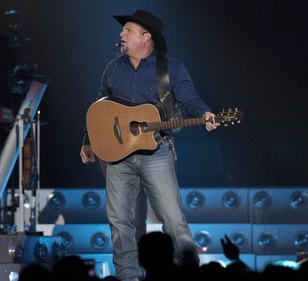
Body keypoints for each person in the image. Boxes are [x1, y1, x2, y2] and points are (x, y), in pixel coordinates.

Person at [80, 10, 219, 281]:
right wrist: (88, 140)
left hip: (156, 153)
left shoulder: (171, 69)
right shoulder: (113, 68)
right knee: (121, 223)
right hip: (117, 157)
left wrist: (205, 114)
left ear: (146, 37)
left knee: (173, 219)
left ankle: (188, 274)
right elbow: (99, 108)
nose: (121, 35)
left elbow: (190, 99)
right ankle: (128, 277)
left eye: (127, 30)